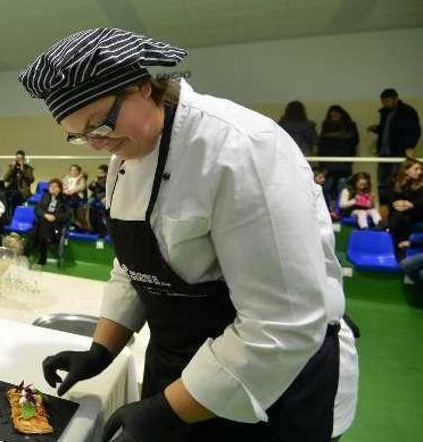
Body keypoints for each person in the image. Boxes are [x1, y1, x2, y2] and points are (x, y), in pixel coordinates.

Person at [19, 28, 356, 441]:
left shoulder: (241, 148)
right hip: (178, 363)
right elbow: (134, 265)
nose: (95, 144)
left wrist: (163, 410)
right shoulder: (125, 155)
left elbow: (281, 324)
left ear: (143, 87)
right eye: (78, 134)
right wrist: (100, 350)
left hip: (274, 381)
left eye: (99, 123)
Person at [369, 88, 420, 211]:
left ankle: (395, 209)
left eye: (387, 101)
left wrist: (409, 147)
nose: (385, 104)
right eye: (383, 102)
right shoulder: (385, 113)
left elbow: (414, 131)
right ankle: (383, 210)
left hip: (398, 153)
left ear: (395, 99)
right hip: (384, 153)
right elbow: (387, 130)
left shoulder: (408, 112)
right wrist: (376, 128)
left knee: (396, 181)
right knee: (382, 183)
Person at [318, 105, 359, 211]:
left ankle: (339, 212)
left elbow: (353, 139)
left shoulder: (349, 125)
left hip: (342, 163)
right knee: (328, 187)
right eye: (332, 116)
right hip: (331, 163)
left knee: (341, 187)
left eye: (336, 115)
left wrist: (331, 136)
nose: (334, 117)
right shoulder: (328, 125)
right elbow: (322, 145)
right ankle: (329, 211)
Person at [28, 178, 71, 266]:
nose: (53, 188)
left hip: (56, 226)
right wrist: (45, 215)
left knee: (38, 229)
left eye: (55, 186)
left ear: (60, 188)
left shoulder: (64, 199)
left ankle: (31, 253)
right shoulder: (45, 196)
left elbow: (68, 215)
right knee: (43, 223)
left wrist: (55, 217)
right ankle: (41, 253)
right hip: (44, 223)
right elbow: (37, 209)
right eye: (51, 186)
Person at [386, 159, 423, 253]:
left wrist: (411, 205)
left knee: (399, 216)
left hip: (418, 212)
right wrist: (401, 204)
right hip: (401, 214)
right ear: (406, 170)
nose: (420, 172)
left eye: (421, 169)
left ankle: (391, 241)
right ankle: (400, 248)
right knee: (402, 216)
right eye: (416, 169)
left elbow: (421, 202)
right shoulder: (394, 181)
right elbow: (391, 201)